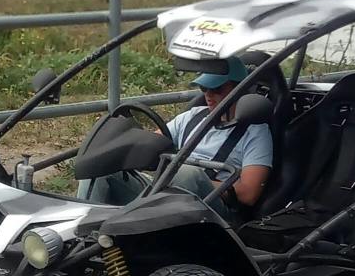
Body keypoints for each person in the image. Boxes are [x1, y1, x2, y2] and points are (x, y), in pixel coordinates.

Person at [79, 57, 273, 212]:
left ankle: (136, 229)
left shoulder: (255, 131)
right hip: (164, 191)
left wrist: (198, 181)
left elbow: (249, 194)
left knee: (187, 173)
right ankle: (82, 235)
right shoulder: (192, 116)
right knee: (103, 166)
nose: (208, 95)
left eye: (217, 89)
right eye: (204, 88)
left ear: (239, 89)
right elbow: (150, 146)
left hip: (210, 206)